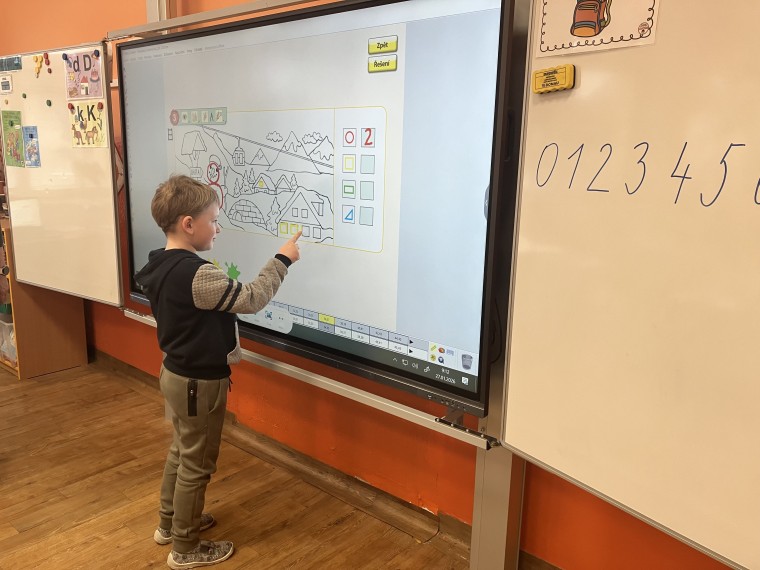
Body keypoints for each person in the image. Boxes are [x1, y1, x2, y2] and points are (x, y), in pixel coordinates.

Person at [135, 174, 301, 569]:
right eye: (213, 220)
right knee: (197, 464)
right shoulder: (197, 274)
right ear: (188, 224)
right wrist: (282, 260)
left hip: (175, 374)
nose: (217, 228)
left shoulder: (159, 262)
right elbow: (252, 298)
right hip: (199, 383)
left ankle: (170, 524)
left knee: (182, 451)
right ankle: (186, 548)